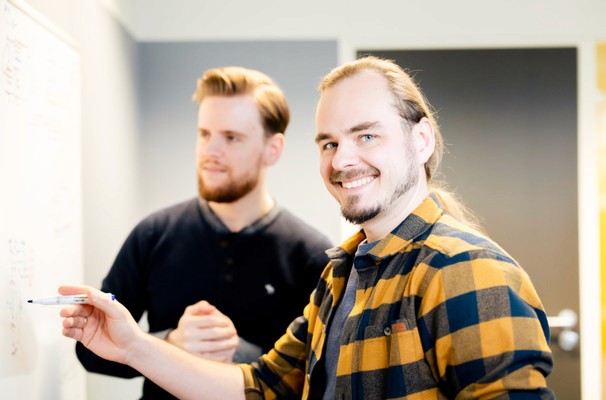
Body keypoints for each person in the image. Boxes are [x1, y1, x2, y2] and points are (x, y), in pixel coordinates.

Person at [61, 56, 554, 399]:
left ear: (421, 139)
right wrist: (135, 345)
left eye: (366, 135)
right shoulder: (341, 275)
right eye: (328, 143)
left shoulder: (469, 270)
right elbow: (260, 387)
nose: (343, 159)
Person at [75, 66, 333, 398]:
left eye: (231, 137)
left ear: (273, 148)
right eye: (204, 134)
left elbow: (321, 376)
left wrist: (236, 355)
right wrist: (170, 344)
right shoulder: (153, 235)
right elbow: (90, 351)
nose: (211, 151)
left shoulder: (311, 255)